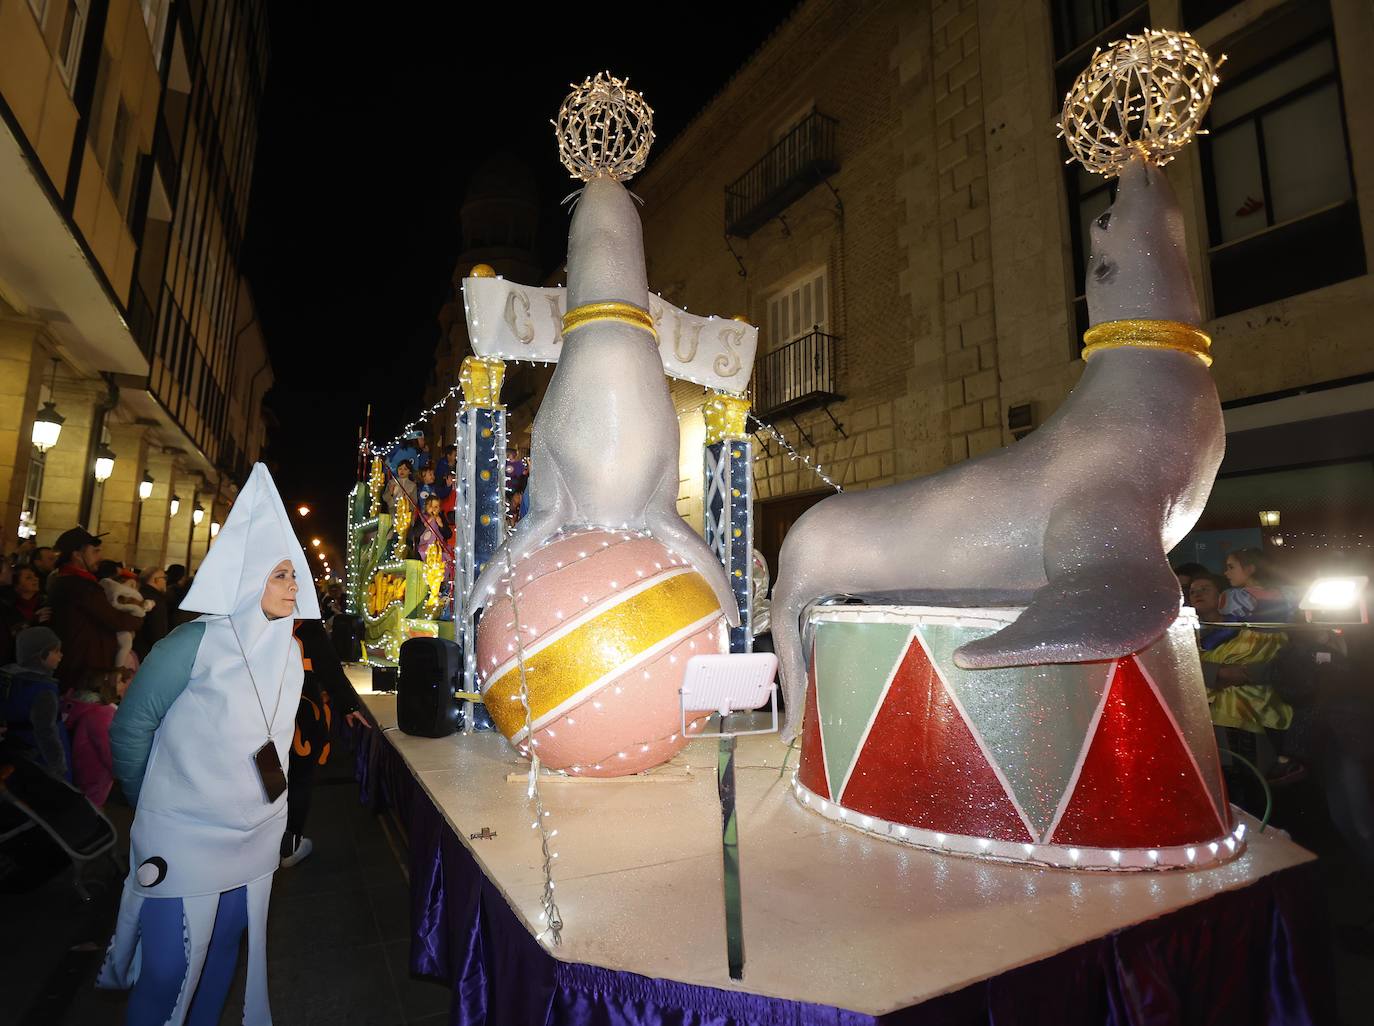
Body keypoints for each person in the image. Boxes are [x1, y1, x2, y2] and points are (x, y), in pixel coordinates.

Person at [98, 464, 319, 1025]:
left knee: (222, 954)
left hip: (254, 837)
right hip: (185, 838)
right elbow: (131, 727)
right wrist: (153, 801)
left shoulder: (288, 652)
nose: (295, 586)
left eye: (295, 575)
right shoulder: (191, 642)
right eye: (281, 575)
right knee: (168, 972)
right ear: (247, 579)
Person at [280, 618, 369, 868]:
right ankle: (290, 843)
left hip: (271, 710)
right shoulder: (304, 624)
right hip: (299, 710)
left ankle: (277, 841)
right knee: (298, 774)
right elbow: (328, 665)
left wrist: (348, 704)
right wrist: (349, 705)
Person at [47, 529, 142, 694]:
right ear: (77, 554)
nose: (100, 557)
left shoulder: (66, 582)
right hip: (84, 666)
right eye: (95, 551)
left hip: (79, 662)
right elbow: (115, 620)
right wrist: (138, 615)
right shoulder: (81, 587)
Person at [0, 625, 71, 780]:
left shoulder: (9, 678)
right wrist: (59, 769)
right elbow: (46, 733)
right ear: (40, 655)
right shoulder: (43, 690)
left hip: (15, 750)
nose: (61, 655)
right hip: (40, 755)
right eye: (56, 651)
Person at [63, 669, 120, 806]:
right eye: (118, 682)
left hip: (74, 774)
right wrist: (122, 771)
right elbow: (108, 752)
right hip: (93, 780)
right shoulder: (100, 714)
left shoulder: (71, 706)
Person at [1221, 547, 1289, 621]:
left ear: (1249, 569)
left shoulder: (1237, 597)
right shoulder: (1281, 592)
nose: (1226, 573)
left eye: (1231, 567)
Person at [135, 566, 171, 661]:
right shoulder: (156, 600)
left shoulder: (138, 594)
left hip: (136, 649)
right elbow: (157, 630)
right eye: (164, 578)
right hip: (147, 653)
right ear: (156, 580)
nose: (165, 581)